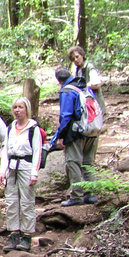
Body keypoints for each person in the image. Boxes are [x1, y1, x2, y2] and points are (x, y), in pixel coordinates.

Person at [0, 98, 42, 253]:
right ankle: (14, 233)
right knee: (11, 201)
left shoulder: (33, 128)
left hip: (26, 168)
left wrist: (34, 173)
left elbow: (37, 152)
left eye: (20, 107)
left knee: (27, 202)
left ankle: (27, 235)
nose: (17, 110)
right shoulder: (10, 128)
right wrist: (2, 171)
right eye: (15, 107)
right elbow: (6, 152)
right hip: (11, 169)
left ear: (26, 109)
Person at [50, 67, 97, 206]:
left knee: (73, 162)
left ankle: (76, 196)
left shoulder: (67, 91)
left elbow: (66, 116)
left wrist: (60, 136)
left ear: (58, 80)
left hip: (76, 132)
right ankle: (91, 194)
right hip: (92, 129)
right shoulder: (84, 87)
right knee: (88, 162)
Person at [68, 46, 106, 115]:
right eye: (73, 59)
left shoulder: (89, 67)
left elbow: (97, 85)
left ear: (82, 55)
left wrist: (83, 86)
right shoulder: (78, 70)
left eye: (77, 56)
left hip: (95, 103)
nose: (76, 60)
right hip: (87, 104)